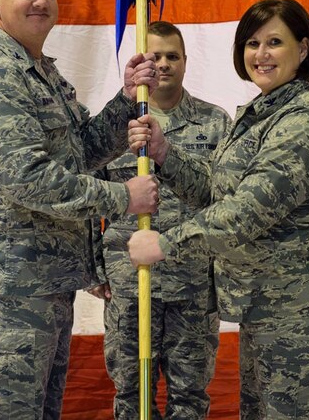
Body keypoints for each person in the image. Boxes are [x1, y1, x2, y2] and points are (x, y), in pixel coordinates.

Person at [127, 0, 309, 419]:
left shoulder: (304, 121)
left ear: (303, 48)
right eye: (252, 43)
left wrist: (164, 243)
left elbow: (248, 211)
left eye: (274, 42)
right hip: (269, 309)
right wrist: (166, 153)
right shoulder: (263, 113)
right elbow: (218, 191)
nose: (261, 54)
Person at [0, 0, 160, 420]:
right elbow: (30, 180)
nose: (40, 2)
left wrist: (126, 101)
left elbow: (80, 151)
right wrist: (122, 197)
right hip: (6, 298)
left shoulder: (40, 73)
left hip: (43, 289)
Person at [98, 21, 231, 419]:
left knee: (189, 395)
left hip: (193, 284)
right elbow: (92, 202)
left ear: (187, 62)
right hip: (129, 281)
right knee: (130, 394)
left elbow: (224, 201)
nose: (163, 64)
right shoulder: (114, 125)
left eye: (173, 55)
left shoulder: (215, 123)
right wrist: (93, 268)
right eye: (154, 56)